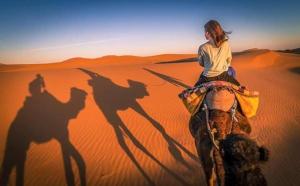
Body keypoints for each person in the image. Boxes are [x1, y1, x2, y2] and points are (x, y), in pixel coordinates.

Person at [194, 20, 240, 87]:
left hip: (207, 78)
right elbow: (229, 59)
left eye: (206, 31)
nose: (205, 34)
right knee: (239, 89)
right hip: (224, 76)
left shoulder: (202, 47)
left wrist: (210, 64)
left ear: (210, 32)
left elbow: (201, 63)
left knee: (193, 92)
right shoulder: (226, 44)